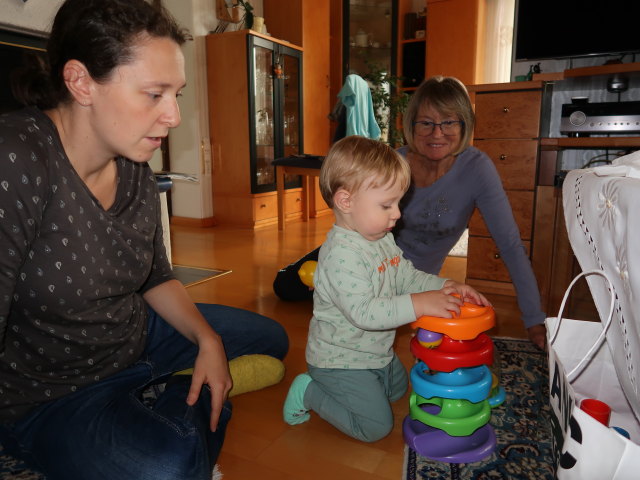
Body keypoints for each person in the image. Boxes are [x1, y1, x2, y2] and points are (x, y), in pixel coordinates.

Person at [0, 1, 288, 479]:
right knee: (166, 468)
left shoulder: (134, 166)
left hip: (134, 337)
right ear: (80, 82)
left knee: (270, 338)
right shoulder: (17, 161)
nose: (173, 116)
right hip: (53, 390)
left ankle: (177, 386)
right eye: (154, 94)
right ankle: (180, 400)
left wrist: (208, 340)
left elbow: (155, 275)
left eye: (175, 94)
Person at [273, 76, 546, 350]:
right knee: (286, 285)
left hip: (411, 277)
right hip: (362, 255)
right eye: (426, 123)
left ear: (464, 125)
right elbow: (351, 211)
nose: (437, 133)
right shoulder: (394, 163)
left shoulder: (477, 169)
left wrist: (534, 320)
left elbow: (510, 244)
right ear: (411, 124)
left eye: (449, 122)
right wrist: (335, 274)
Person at [282, 136, 490, 442]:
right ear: (346, 202)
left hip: (374, 351)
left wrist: (445, 285)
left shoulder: (380, 238)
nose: (397, 213)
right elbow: (364, 313)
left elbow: (404, 276)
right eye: (386, 205)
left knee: (397, 390)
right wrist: (419, 304)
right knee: (375, 428)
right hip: (339, 360)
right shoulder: (342, 255)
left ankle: (362, 386)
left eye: (398, 203)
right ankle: (310, 391)